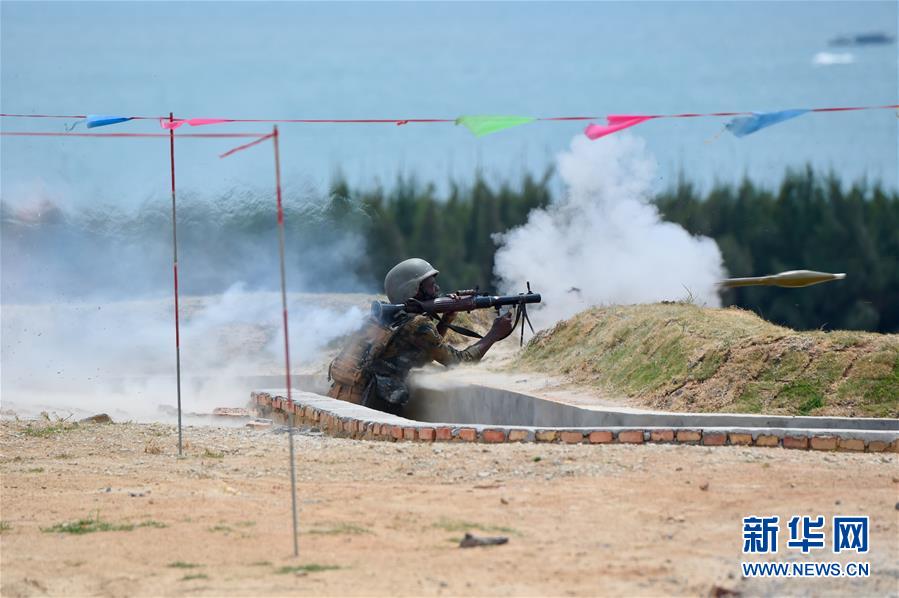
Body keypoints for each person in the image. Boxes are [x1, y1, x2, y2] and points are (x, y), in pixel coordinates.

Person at [327, 258, 514, 414]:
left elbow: (421, 351)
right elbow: (459, 361)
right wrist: (494, 333)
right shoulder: (418, 325)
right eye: (431, 285)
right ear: (415, 290)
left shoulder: (382, 317)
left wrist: (446, 319)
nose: (437, 289)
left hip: (344, 399)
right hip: (369, 408)